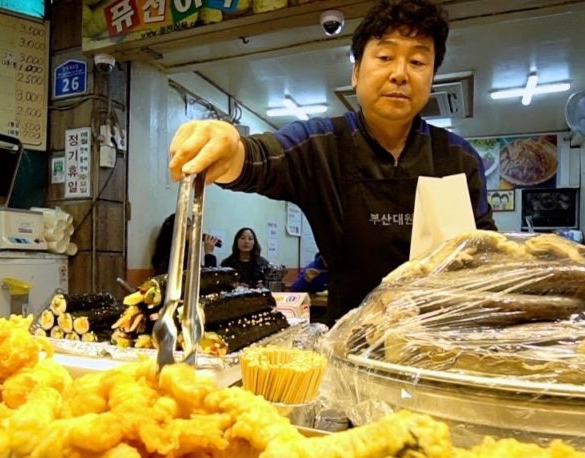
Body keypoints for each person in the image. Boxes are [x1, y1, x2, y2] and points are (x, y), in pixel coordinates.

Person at [168, 0, 495, 323]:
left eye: (418, 61)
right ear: (355, 72)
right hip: (348, 346)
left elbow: (488, 259)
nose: (399, 73)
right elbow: (262, 158)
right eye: (384, 56)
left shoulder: (459, 158)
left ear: (432, 77)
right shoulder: (320, 146)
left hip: (441, 344)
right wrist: (229, 148)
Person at [151, 213, 221, 275]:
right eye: (188, 228)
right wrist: (209, 254)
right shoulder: (173, 260)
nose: (193, 231)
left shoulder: (188, 254)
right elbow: (207, 281)